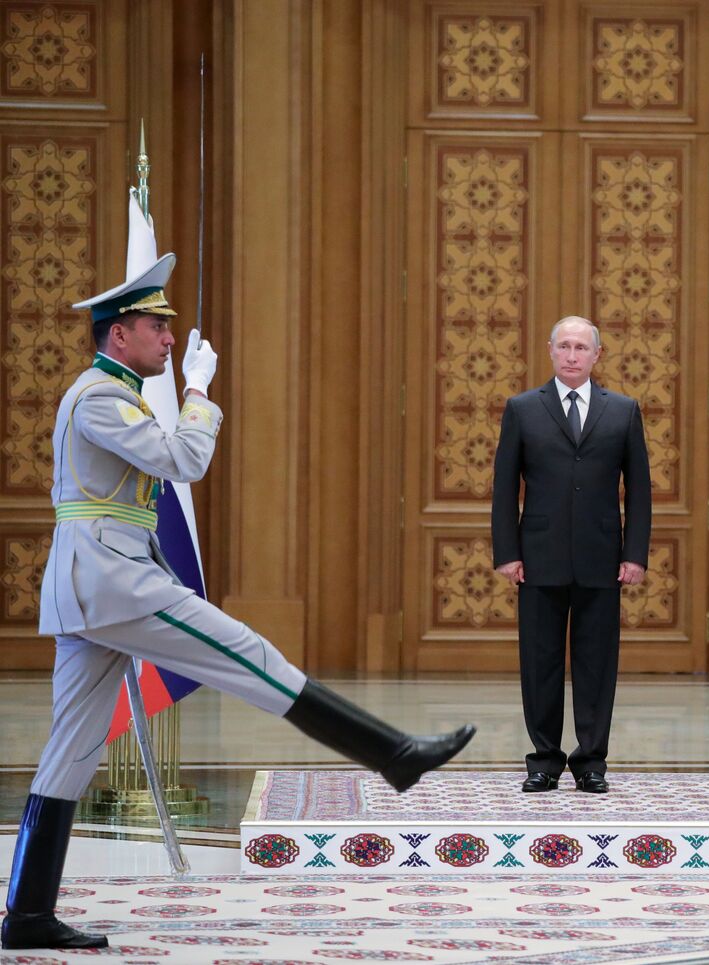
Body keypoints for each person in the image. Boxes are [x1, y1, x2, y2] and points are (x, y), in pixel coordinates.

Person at [3, 248, 476, 952]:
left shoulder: (108, 392)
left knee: (71, 746)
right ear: (118, 334)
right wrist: (198, 394)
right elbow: (183, 461)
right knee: (250, 656)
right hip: (114, 579)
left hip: (97, 580)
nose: (170, 339)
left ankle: (29, 913)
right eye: (155, 327)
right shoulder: (101, 394)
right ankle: (394, 753)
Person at [492, 316, 651, 795]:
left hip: (602, 556)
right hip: (538, 556)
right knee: (539, 662)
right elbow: (504, 487)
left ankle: (590, 761)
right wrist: (507, 552)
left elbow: (639, 490)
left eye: (582, 347)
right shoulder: (522, 408)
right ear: (550, 350)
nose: (572, 355)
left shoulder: (623, 410)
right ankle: (543, 759)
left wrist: (635, 553)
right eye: (564, 346)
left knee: (596, 663)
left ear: (597, 355)